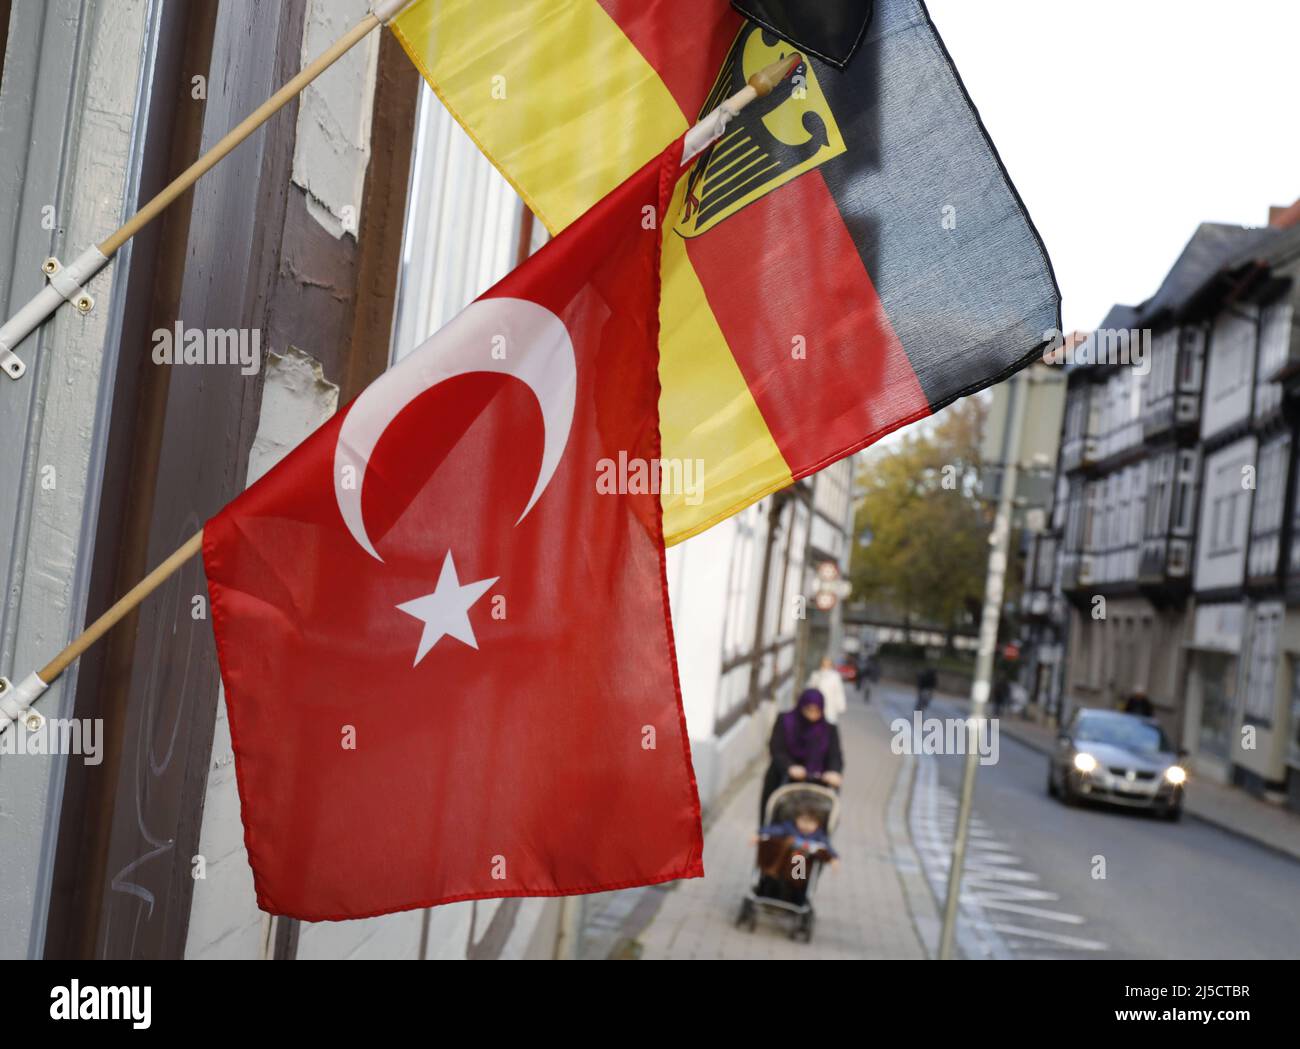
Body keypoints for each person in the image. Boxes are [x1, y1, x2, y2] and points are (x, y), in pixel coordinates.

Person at [759, 689, 844, 823]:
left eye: (817, 711)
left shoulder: (829, 729)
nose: (812, 715)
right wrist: (790, 767)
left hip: (815, 787)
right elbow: (776, 748)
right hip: (783, 780)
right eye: (809, 710)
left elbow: (835, 755)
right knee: (775, 824)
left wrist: (834, 772)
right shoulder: (785, 721)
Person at [807, 657, 847, 724]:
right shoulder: (816, 674)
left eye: (828, 663)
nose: (826, 665)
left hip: (830, 704)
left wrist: (841, 705)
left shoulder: (835, 676)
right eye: (824, 663)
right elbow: (809, 688)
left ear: (831, 665)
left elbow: (839, 692)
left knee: (829, 722)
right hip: (817, 704)